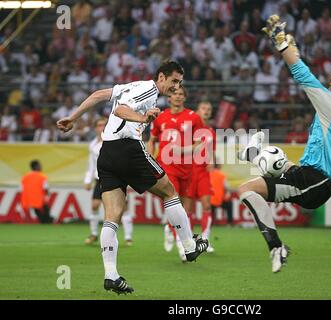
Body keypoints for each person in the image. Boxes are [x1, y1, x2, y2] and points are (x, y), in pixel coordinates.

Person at [57, 60, 209, 295]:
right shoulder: (148, 90)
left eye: (180, 82)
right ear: (161, 77)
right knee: (169, 191)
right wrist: (143, 119)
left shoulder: (130, 86)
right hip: (128, 149)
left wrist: (73, 117)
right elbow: (120, 110)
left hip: (106, 154)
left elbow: (98, 95)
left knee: (112, 215)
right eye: (174, 81)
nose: (176, 87)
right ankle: (189, 246)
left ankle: (111, 275)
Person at [237, 15, 331, 273]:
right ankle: (254, 154)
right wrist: (290, 46)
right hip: (310, 176)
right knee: (276, 162)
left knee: (247, 189)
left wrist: (282, 46)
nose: (326, 88)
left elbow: (303, 76)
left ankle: (276, 246)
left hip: (316, 182)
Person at [147, 85, 204, 262]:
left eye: (181, 94)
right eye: (175, 94)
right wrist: (150, 158)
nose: (178, 97)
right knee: (174, 202)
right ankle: (184, 247)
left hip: (187, 167)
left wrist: (182, 150)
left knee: (186, 210)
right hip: (167, 167)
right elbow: (152, 140)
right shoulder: (160, 117)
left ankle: (169, 227)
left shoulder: (194, 118)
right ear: (169, 98)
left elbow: (200, 144)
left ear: (185, 98)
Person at [83, 118, 134, 246]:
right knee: (95, 205)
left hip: (115, 177)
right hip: (99, 178)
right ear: (95, 128)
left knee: (122, 208)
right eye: (99, 125)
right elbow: (91, 164)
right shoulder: (93, 144)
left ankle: (128, 236)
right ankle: (94, 234)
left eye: (103, 125)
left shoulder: (114, 139)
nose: (101, 127)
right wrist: (88, 179)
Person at [185, 101, 216, 253]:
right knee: (188, 209)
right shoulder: (189, 129)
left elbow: (211, 152)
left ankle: (205, 240)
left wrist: (211, 161)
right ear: (197, 111)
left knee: (207, 205)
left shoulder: (211, 131)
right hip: (190, 172)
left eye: (209, 109)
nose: (207, 111)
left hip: (203, 172)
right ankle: (190, 241)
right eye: (204, 108)